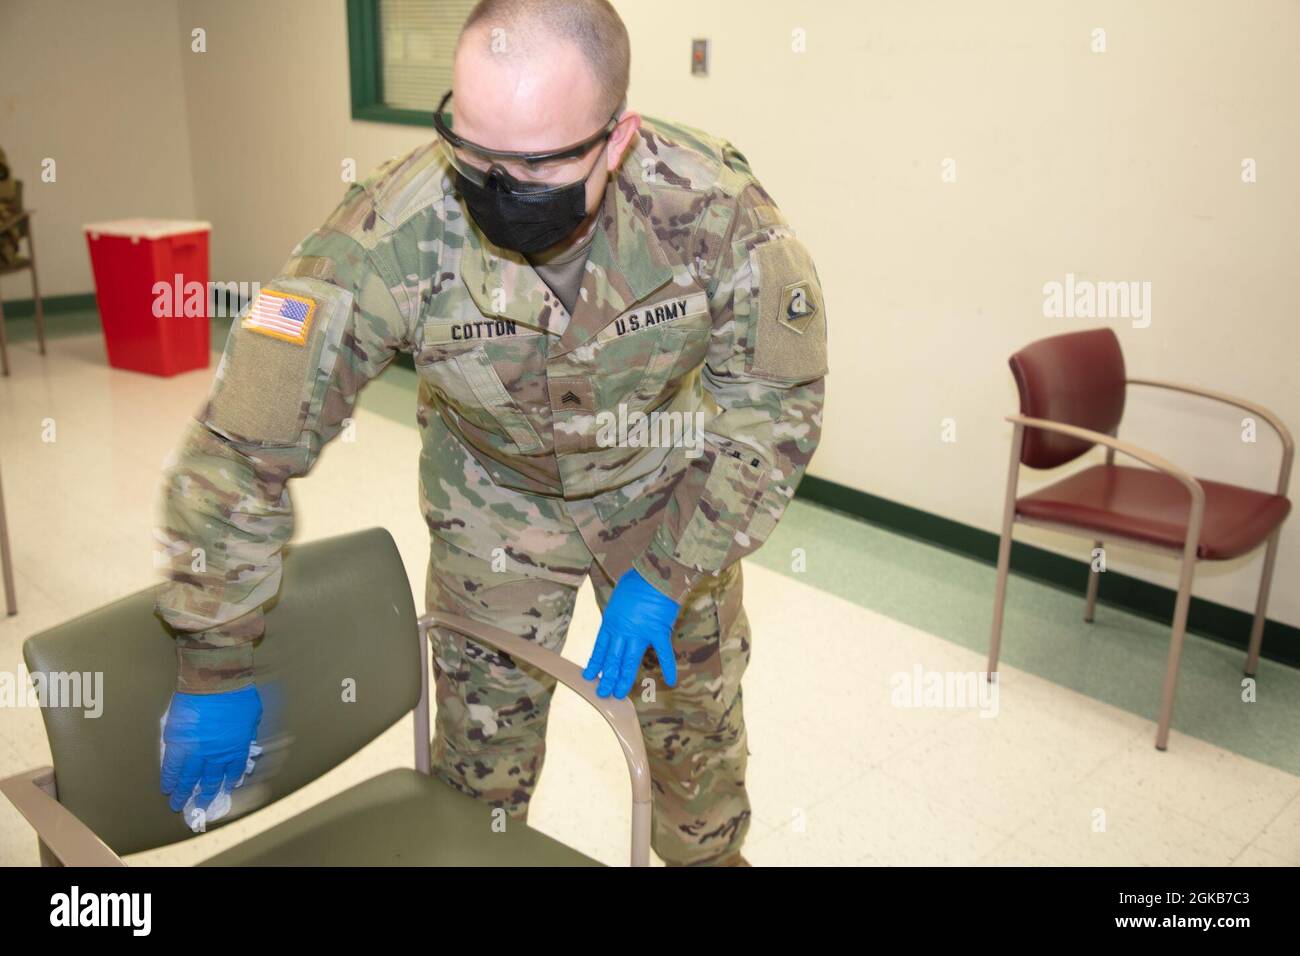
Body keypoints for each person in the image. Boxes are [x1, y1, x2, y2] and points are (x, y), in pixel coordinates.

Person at [154, 0, 827, 866]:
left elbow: (774, 409)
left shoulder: (713, 208)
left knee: (699, 770)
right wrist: (215, 655)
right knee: (479, 786)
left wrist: (671, 572)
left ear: (615, 141)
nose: (496, 185)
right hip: (492, 503)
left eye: (536, 163)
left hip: (668, 491)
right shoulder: (389, 234)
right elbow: (241, 449)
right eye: (471, 149)